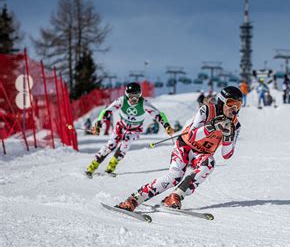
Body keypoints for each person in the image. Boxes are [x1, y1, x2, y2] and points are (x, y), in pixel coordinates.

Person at [113, 86, 243, 211]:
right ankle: (134, 199)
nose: (234, 108)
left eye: (238, 105)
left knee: (209, 163)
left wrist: (228, 136)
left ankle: (175, 196)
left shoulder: (235, 125)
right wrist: (213, 126)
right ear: (221, 102)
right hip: (185, 146)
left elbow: (226, 155)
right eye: (231, 103)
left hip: (202, 154)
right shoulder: (207, 110)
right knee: (174, 176)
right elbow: (192, 136)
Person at [85, 82, 174, 177]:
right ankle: (92, 167)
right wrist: (99, 124)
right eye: (131, 95)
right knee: (110, 145)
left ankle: (110, 168)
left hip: (135, 130)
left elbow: (158, 114)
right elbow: (107, 111)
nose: (134, 99)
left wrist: (167, 126)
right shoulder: (122, 101)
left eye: (137, 95)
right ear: (127, 94)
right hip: (121, 127)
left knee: (125, 144)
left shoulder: (143, 103)